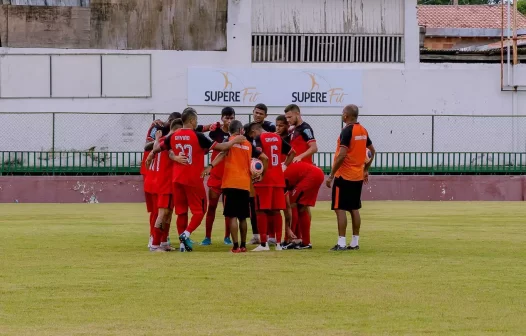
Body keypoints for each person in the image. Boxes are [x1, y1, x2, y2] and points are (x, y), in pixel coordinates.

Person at [147, 108, 245, 252]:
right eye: (196, 121)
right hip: (193, 179)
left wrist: (154, 153)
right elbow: (222, 147)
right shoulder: (198, 136)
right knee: (199, 212)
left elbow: (157, 148)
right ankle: (185, 235)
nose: (196, 123)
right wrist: (235, 140)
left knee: (181, 212)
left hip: (176, 179)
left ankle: (180, 245)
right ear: (192, 121)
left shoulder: (173, 136)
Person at [203, 120, 268, 253]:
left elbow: (221, 153)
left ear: (230, 130)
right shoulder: (248, 144)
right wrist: (261, 175)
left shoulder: (229, 142)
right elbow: (264, 157)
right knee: (243, 217)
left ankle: (235, 246)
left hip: (230, 183)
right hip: (244, 184)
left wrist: (211, 166)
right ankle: (243, 246)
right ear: (240, 130)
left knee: (232, 216)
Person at [326, 104, 375, 251]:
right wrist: (365, 169)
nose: (342, 115)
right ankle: (355, 242)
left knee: (339, 208)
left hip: (344, 176)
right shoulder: (363, 130)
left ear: (346, 115)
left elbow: (341, 154)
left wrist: (331, 175)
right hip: (357, 176)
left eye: (342, 113)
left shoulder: (347, 131)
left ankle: (341, 243)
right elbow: (372, 151)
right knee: (354, 208)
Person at [246, 122, 295, 251]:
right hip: (278, 179)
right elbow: (292, 152)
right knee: (276, 211)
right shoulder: (277, 137)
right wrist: (283, 166)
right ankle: (278, 244)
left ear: (253, 132)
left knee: (260, 210)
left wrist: (259, 172)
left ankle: (263, 244)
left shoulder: (259, 138)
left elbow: (263, 157)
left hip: (264, 180)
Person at [145, 119, 185, 252]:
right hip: (165, 183)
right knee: (162, 214)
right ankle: (155, 244)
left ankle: (163, 242)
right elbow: (170, 153)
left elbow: (154, 149)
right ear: (178, 129)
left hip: (164, 182)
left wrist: (151, 155)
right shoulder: (170, 140)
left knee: (167, 213)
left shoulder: (161, 139)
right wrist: (176, 158)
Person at [201, 107, 236, 246]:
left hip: (230, 175)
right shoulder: (215, 132)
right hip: (216, 174)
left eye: (231, 118)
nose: (229, 120)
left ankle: (227, 237)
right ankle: (207, 237)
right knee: (212, 207)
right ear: (221, 118)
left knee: (228, 209)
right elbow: (206, 145)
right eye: (226, 118)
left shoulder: (237, 133)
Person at [247, 103, 276, 245]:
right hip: (253, 168)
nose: (258, 115)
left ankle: (272, 235)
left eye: (261, 113)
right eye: (256, 112)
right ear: (253, 112)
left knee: (270, 205)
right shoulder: (248, 128)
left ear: (266, 115)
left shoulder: (271, 127)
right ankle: (256, 234)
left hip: (268, 168)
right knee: (253, 204)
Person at [283, 161, 325, 250]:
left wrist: (287, 228)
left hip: (311, 176)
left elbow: (288, 208)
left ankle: (289, 240)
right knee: (302, 208)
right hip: (316, 174)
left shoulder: (281, 178)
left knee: (293, 205)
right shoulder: (283, 170)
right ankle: (305, 242)